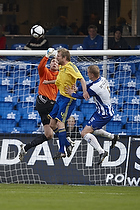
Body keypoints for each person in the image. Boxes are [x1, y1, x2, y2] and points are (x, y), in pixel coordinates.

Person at [65, 65, 119, 165]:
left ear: (92, 74)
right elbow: (89, 86)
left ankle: (102, 152)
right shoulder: (102, 79)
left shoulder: (96, 88)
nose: (87, 74)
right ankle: (112, 136)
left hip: (103, 114)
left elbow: (84, 96)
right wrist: (78, 88)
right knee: (92, 129)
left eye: (88, 72)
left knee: (84, 133)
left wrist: (72, 93)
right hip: (104, 111)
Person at [47, 48, 90, 160]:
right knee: (52, 124)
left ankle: (62, 151)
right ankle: (67, 143)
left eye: (58, 56)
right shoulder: (62, 67)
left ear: (64, 58)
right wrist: (48, 82)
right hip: (60, 97)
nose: (56, 58)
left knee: (60, 123)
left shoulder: (71, 67)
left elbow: (82, 79)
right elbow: (59, 81)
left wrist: (84, 91)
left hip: (68, 99)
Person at [19, 48, 59, 161]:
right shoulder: (45, 72)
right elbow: (40, 67)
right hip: (45, 102)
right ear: (49, 64)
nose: (54, 63)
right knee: (58, 118)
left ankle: (26, 147)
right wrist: (46, 56)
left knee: (49, 135)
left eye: (56, 61)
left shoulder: (61, 76)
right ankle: (66, 139)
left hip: (48, 107)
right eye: (52, 61)